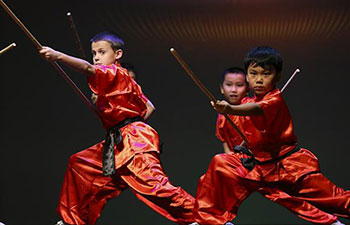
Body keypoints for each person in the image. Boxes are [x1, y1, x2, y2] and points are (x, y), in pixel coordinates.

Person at [39, 31, 195, 225]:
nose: (96, 57)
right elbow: (149, 107)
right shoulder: (120, 81)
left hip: (134, 139)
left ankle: (205, 217)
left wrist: (58, 55)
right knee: (80, 164)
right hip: (119, 138)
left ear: (117, 54)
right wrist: (111, 111)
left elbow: (87, 68)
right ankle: (73, 221)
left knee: (154, 186)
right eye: (94, 53)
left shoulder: (115, 71)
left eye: (102, 52)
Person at [192, 47, 349, 225]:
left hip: (287, 165)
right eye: (253, 74)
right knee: (221, 164)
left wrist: (230, 108)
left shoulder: (274, 99)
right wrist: (244, 145)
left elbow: (258, 110)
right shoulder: (247, 102)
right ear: (247, 76)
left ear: (278, 76)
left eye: (266, 74)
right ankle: (210, 219)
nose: (259, 79)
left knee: (333, 198)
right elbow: (251, 132)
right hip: (259, 167)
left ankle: (332, 222)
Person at [91, 62, 155, 120]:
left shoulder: (134, 92)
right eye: (128, 79)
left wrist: (137, 124)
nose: (131, 82)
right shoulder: (114, 92)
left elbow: (150, 107)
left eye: (132, 79)